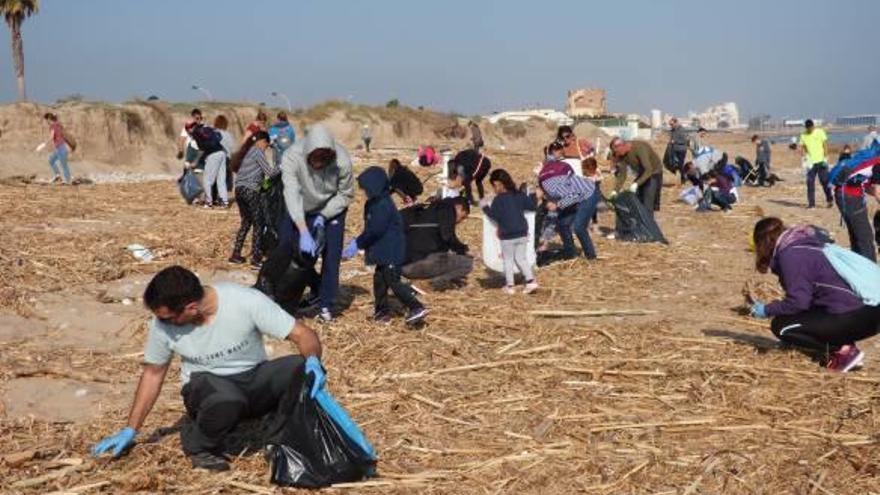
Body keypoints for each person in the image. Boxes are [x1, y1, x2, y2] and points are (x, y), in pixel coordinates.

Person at [91, 266, 325, 471]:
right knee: (226, 398)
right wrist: (131, 429)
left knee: (299, 368)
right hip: (208, 387)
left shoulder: (245, 301)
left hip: (252, 379)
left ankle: (278, 442)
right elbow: (153, 374)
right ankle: (199, 446)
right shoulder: (162, 326)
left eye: (168, 318)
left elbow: (303, 335)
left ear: (191, 308)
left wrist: (313, 361)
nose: (163, 322)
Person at [748, 219, 880, 372]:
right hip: (869, 309)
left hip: (858, 314)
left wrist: (767, 310)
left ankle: (843, 353)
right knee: (808, 316)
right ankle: (844, 345)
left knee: (782, 326)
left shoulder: (790, 256)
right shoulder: (805, 243)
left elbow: (798, 303)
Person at [258, 125, 354, 322]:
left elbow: (345, 194)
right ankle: (272, 291)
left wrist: (323, 217)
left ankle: (326, 303)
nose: (319, 164)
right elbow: (291, 194)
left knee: (331, 255)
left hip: (331, 207)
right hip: (300, 206)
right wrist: (303, 230)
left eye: (324, 160)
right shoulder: (292, 157)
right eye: (315, 159)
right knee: (287, 248)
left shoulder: (342, 160)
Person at [342, 166, 428, 324]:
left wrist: (358, 243)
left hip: (391, 251)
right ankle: (382, 312)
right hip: (382, 253)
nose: (365, 192)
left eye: (367, 189)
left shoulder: (382, 205)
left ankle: (416, 306)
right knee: (379, 281)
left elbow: (375, 230)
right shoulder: (374, 203)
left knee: (393, 281)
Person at [539, 143, 600, 260]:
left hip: (589, 193)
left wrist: (558, 204)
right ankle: (570, 253)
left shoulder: (552, 188)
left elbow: (574, 196)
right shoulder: (547, 184)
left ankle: (591, 256)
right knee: (562, 224)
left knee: (579, 227)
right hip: (578, 194)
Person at [481, 169, 538, 294]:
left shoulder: (498, 200)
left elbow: (495, 216)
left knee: (508, 260)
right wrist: (533, 194)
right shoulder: (519, 195)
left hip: (507, 235)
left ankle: (510, 286)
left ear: (499, 184)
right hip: (522, 232)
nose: (495, 189)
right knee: (521, 258)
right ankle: (531, 281)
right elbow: (532, 206)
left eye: (495, 186)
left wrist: (484, 207)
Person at [401, 197, 473, 290]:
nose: (459, 221)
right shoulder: (447, 209)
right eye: (462, 217)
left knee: (444, 256)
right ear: (458, 207)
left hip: (400, 266)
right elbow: (447, 236)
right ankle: (438, 282)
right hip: (417, 264)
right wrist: (464, 250)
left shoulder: (423, 209)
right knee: (467, 263)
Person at [229, 131, 277, 267]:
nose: (266, 148)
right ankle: (256, 258)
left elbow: (260, 176)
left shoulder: (248, 153)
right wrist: (282, 167)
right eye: (266, 145)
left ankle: (235, 254)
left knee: (246, 222)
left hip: (239, 190)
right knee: (258, 223)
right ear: (262, 142)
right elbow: (270, 173)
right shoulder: (258, 152)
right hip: (250, 190)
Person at [832, 147, 880, 262]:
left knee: (856, 235)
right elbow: (878, 191)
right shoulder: (878, 163)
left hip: (843, 194)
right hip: (850, 197)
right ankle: (870, 272)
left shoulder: (871, 159)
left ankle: (858, 267)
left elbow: (866, 185)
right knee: (865, 238)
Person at [609, 137, 664, 215]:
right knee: (635, 201)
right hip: (642, 173)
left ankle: (648, 225)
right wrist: (615, 191)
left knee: (647, 204)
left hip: (654, 173)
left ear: (621, 146)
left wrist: (636, 184)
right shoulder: (622, 155)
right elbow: (622, 175)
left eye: (616, 151)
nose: (616, 154)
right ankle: (638, 225)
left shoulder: (639, 148)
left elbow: (648, 170)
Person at [799, 119, 833, 209]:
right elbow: (803, 147)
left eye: (811, 128)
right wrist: (804, 159)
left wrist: (826, 157)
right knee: (810, 183)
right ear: (806, 128)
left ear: (813, 126)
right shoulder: (803, 135)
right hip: (811, 163)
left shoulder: (820, 132)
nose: (810, 130)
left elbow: (825, 144)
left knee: (825, 181)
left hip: (821, 161)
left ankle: (829, 199)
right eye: (808, 128)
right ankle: (811, 204)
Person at [200, 117, 231, 208]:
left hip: (213, 155)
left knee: (207, 180)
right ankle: (224, 202)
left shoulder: (201, 131)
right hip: (222, 153)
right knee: (221, 179)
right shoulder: (212, 130)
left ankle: (208, 202)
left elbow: (202, 148)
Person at [42, 113, 71, 184]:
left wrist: (45, 143)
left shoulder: (52, 126)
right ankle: (58, 175)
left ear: (49, 119)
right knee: (51, 160)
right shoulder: (58, 124)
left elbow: (52, 137)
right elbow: (58, 120)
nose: (47, 122)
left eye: (47, 120)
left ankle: (68, 181)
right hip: (60, 148)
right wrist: (55, 116)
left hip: (61, 148)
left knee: (63, 165)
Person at [668, 118, 690, 183]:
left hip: (681, 150)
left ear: (676, 123)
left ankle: (683, 178)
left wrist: (675, 141)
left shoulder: (682, 130)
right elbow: (672, 140)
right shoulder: (672, 130)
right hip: (674, 150)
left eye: (672, 124)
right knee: (674, 164)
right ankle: (684, 176)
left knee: (680, 164)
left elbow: (684, 140)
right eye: (670, 124)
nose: (671, 126)